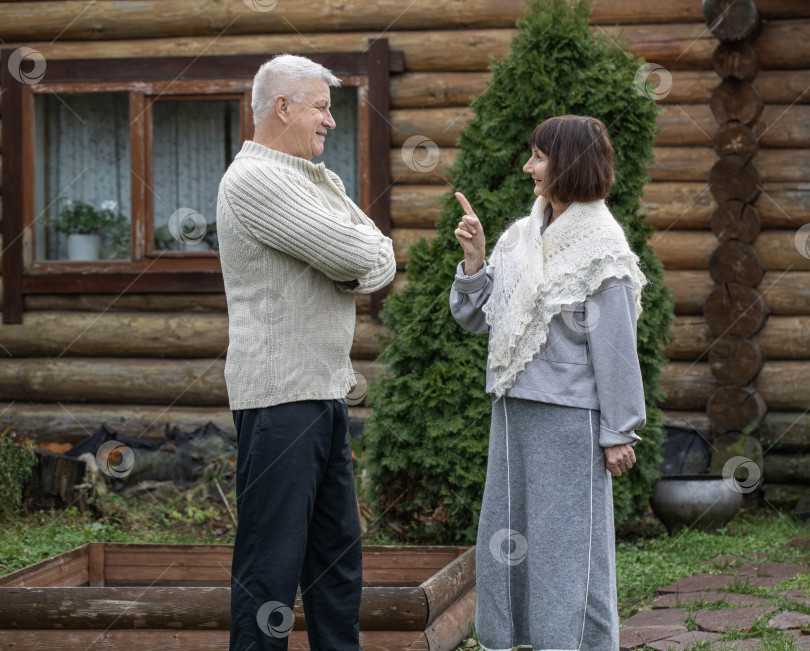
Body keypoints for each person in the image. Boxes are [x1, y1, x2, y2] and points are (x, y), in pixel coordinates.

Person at [217, 54, 396, 650]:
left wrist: (355, 261)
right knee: (270, 569)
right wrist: (353, 262)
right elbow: (361, 256)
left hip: (323, 392)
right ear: (282, 107)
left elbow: (378, 259)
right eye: (321, 107)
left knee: (336, 564)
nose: (331, 120)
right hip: (280, 399)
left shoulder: (316, 180)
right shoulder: (255, 179)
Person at [450, 115, 647, 651]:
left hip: (568, 423)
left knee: (566, 549)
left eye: (538, 157)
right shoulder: (520, 236)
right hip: (512, 414)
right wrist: (475, 261)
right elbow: (479, 317)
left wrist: (619, 431)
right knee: (508, 538)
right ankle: (518, 640)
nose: (527, 166)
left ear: (569, 164)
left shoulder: (601, 246)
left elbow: (616, 347)